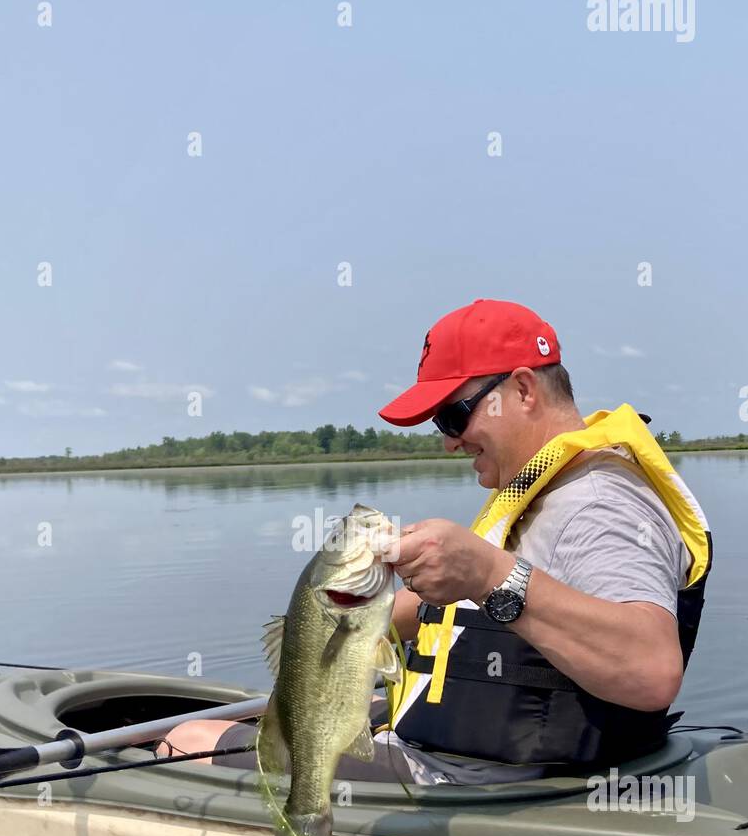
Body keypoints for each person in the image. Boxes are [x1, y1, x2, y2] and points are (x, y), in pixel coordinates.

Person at [163, 298, 711, 785]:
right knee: (270, 718)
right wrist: (345, 613)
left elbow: (651, 670)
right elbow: (488, 615)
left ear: (522, 389)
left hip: (478, 780)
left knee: (182, 742)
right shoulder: (546, 491)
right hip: (457, 753)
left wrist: (489, 574)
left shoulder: (598, 502)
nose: (450, 443)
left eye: (454, 415)